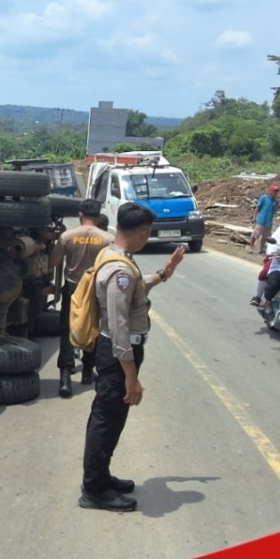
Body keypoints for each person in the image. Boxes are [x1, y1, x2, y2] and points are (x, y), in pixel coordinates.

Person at [79, 202, 185, 512]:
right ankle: (94, 490)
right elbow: (118, 325)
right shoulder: (119, 270)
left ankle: (101, 476)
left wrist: (165, 273)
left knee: (112, 419)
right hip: (116, 354)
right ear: (140, 232)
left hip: (117, 352)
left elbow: (136, 289)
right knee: (106, 420)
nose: (147, 238)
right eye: (148, 233)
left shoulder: (115, 256)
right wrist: (131, 376)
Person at [50, 200, 113, 397]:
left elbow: (54, 262)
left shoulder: (67, 236)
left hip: (73, 288)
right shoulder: (107, 239)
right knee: (92, 329)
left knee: (68, 330)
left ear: (80, 215)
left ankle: (65, 378)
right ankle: (87, 372)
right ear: (97, 216)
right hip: (96, 288)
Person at [248, 184, 280, 254]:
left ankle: (261, 249)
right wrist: (254, 217)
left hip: (269, 221)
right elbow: (258, 208)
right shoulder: (264, 198)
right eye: (274, 191)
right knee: (255, 234)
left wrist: (275, 206)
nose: (275, 193)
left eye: (276, 192)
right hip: (261, 220)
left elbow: (274, 211)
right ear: (270, 191)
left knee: (265, 237)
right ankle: (251, 247)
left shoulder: (275, 201)